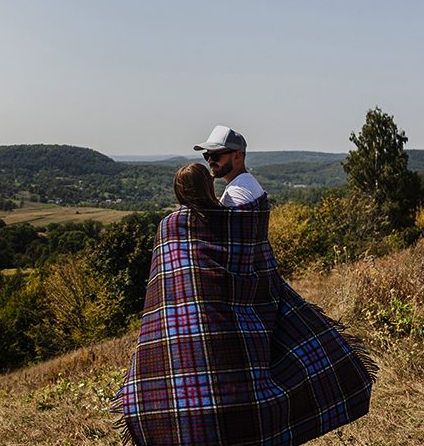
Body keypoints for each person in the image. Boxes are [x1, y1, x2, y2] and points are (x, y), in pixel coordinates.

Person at [114, 160, 375, 445]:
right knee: (244, 393)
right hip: (235, 331)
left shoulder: (170, 226)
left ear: (179, 192)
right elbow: (258, 261)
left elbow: (164, 289)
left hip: (186, 335)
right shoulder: (233, 220)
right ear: (208, 185)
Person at [194, 125, 265, 207]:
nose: (210, 161)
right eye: (207, 156)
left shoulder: (236, 193)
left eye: (215, 156)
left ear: (237, 156)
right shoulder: (247, 183)